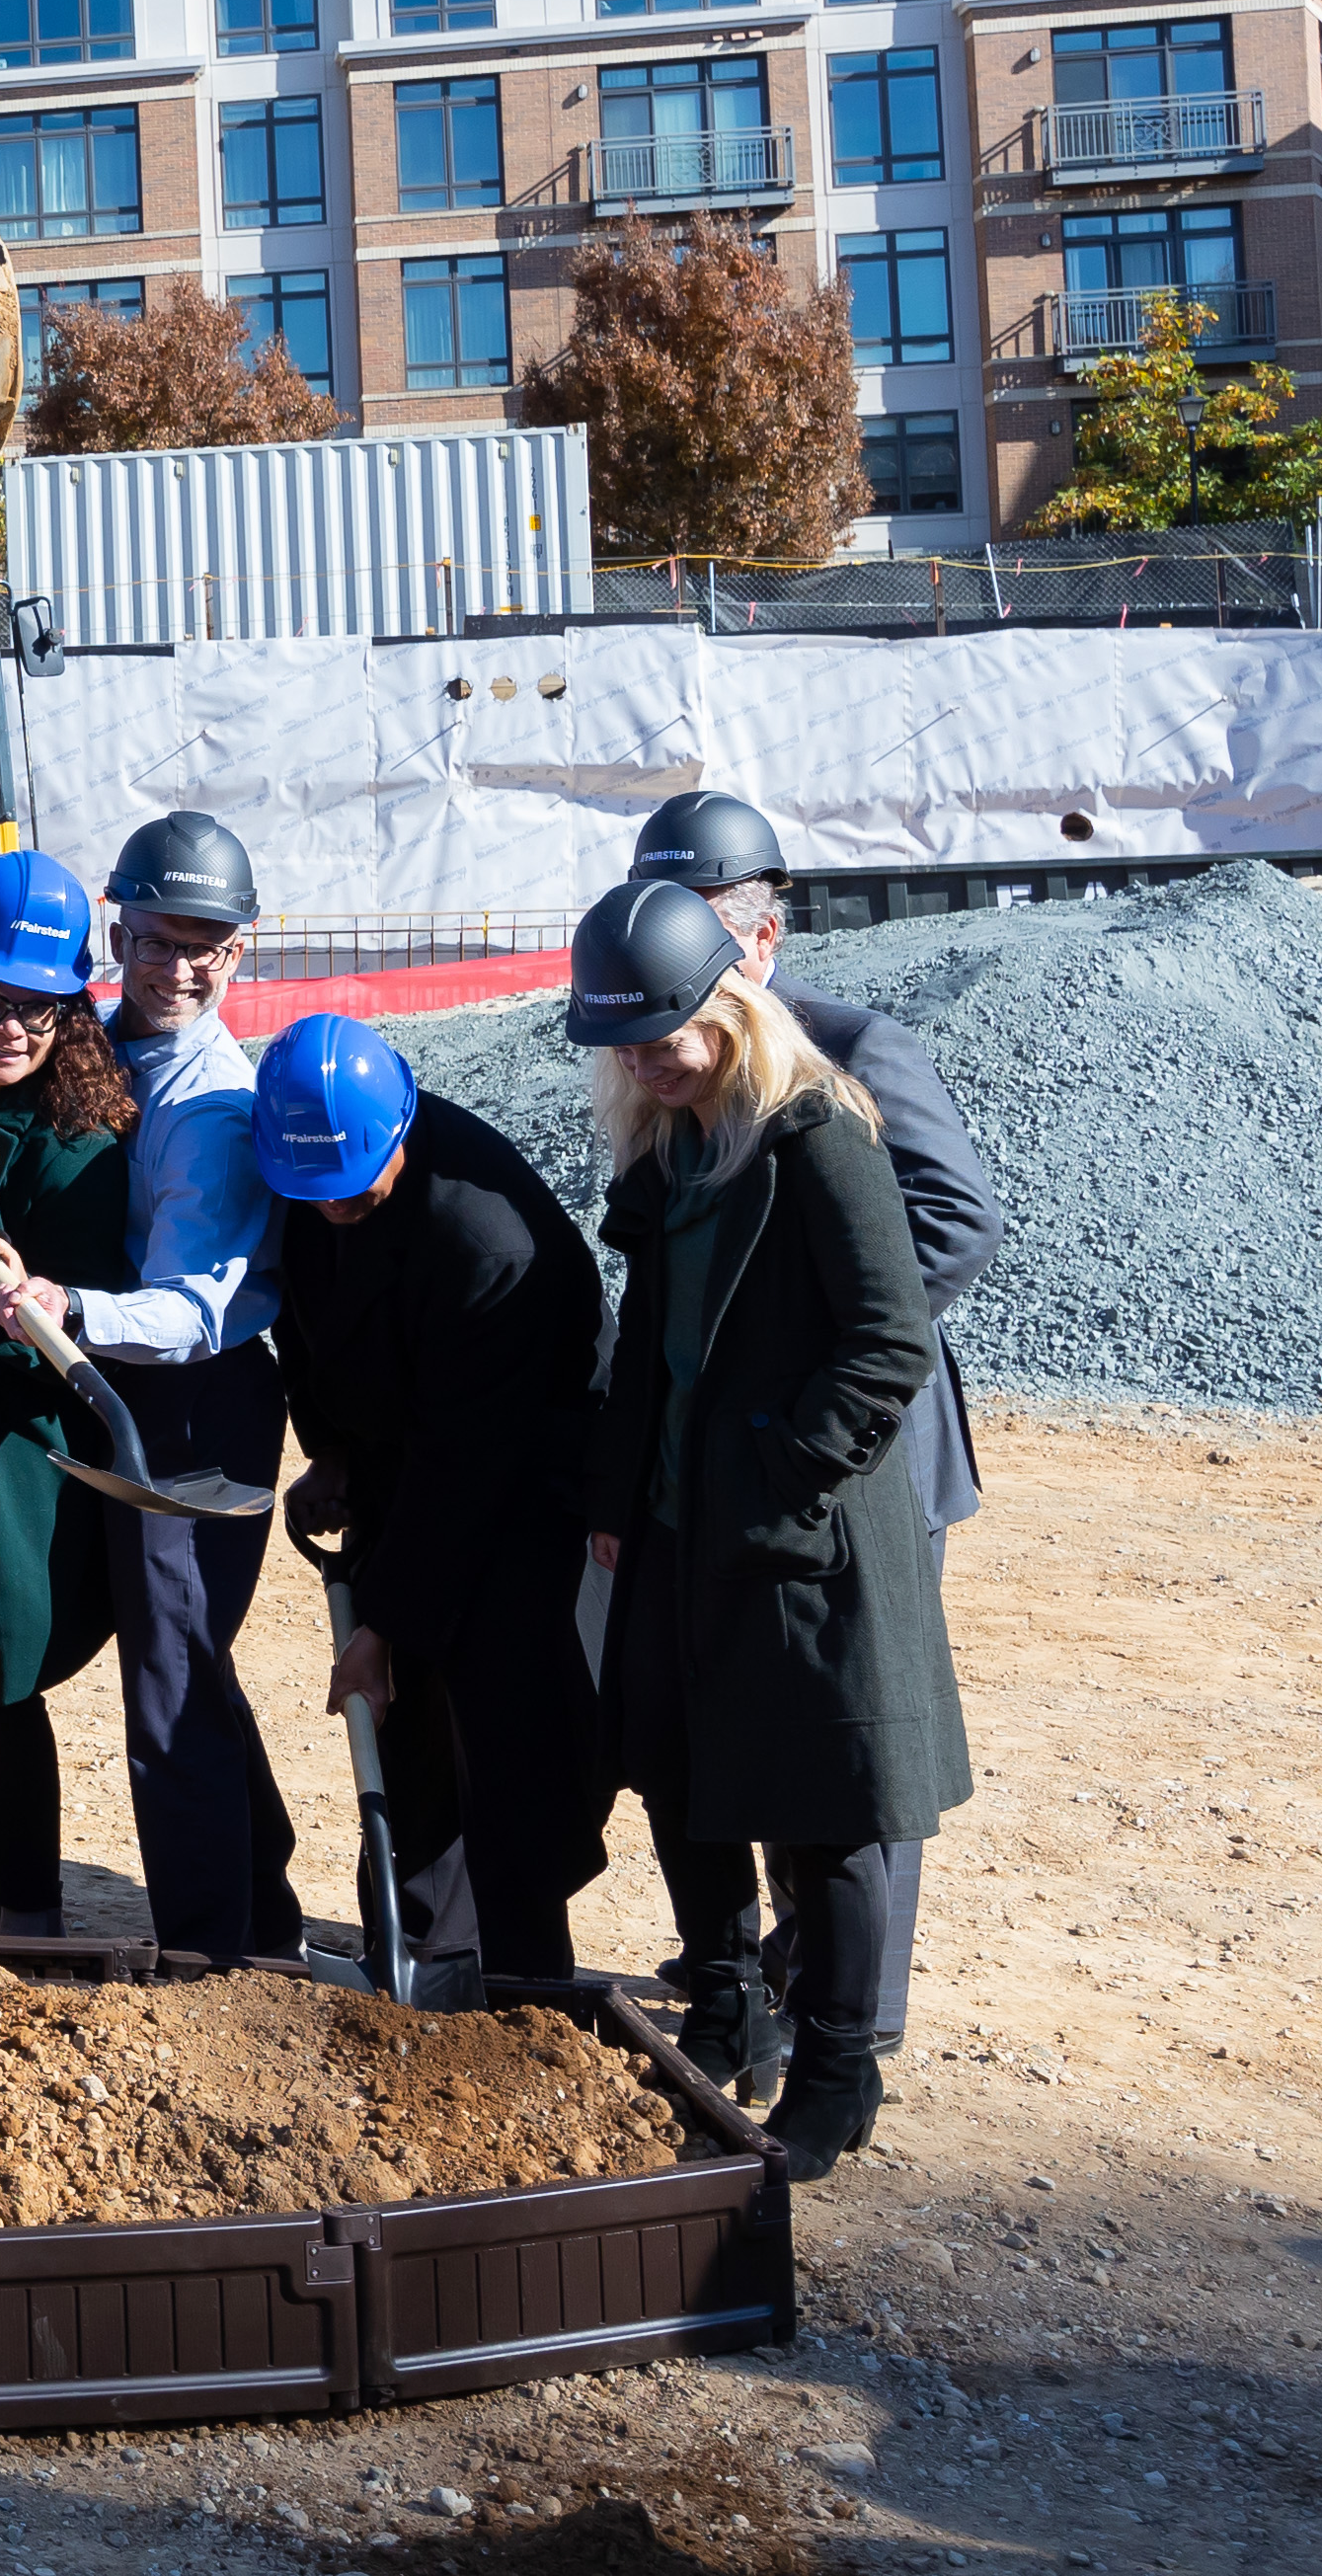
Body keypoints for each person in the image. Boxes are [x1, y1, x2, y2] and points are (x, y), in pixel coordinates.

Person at [566, 877, 972, 2184]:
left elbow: (889, 1338)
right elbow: (646, 1354)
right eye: (626, 1044)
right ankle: (727, 2007)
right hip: (682, 1527)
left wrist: (786, 1477)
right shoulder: (666, 1140)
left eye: (669, 1034)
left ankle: (838, 2075)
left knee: (822, 1815)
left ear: (730, 1002)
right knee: (681, 1778)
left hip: (800, 1541)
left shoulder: (815, 1133)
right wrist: (615, 1501)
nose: (650, 1061)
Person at [630, 790, 1000, 2062]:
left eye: (710, 935)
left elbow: (950, 1226)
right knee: (746, 1717)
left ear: (763, 941)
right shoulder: (664, 1085)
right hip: (741, 1462)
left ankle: (859, 2012)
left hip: (857, 1456)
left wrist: (812, 1351)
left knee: (855, 1739)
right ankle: (761, 1974)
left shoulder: (850, 1051)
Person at [246, 1012, 608, 1985]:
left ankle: (526, 1982)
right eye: (309, 1196)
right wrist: (337, 1459)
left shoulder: (482, 1239)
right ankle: (412, 1956)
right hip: (413, 1455)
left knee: (503, 1726)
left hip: (520, 1472)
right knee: (408, 1741)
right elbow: (314, 1329)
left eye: (352, 1195)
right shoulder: (307, 1172)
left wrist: (384, 1628)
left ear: (400, 1129)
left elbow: (467, 1465)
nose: (331, 1211)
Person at [48, 809, 302, 1967]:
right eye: (160, 939)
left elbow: (197, 1308)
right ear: (121, 930)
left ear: (241, 950)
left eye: (210, 945)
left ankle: (213, 1954)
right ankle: (264, 1908)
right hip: (120, 1385)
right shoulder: (102, 1044)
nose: (183, 967)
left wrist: (69, 1309)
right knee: (185, 1663)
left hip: (195, 1401)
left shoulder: (213, 1104)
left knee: (168, 1682)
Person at [0, 851, 143, 1939]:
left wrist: (2, 1302)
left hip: (6, 1433)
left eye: (41, 1009)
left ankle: (29, 1899)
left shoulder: (78, 1139)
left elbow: (66, 1328)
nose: (13, 1029)